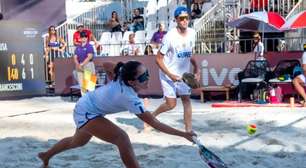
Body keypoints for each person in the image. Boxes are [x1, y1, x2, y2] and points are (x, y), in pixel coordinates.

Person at [38, 61, 195, 168]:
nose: (147, 78)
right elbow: (155, 123)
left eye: (147, 74)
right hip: (86, 111)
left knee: (77, 142)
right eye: (142, 77)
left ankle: (46, 155)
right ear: (132, 82)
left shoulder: (123, 74)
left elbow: (107, 64)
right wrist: (183, 134)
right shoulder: (129, 97)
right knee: (122, 138)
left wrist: (111, 70)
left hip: (89, 106)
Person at [145, 6, 200, 132]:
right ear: (176, 20)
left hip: (183, 75)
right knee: (171, 104)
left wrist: (197, 68)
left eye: (187, 18)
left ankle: (188, 130)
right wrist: (170, 75)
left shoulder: (192, 33)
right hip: (167, 74)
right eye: (182, 18)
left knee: (186, 100)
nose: (185, 20)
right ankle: (152, 116)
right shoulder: (169, 37)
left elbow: (190, 53)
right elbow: (158, 59)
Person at [74, 31, 96, 95]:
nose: (84, 38)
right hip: (79, 66)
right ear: (80, 38)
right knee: (82, 85)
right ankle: (84, 100)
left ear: (87, 38)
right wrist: (78, 64)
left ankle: (91, 101)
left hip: (88, 65)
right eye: (82, 37)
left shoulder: (89, 46)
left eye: (85, 37)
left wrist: (82, 64)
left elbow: (89, 57)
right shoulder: (78, 47)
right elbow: (75, 57)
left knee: (90, 85)